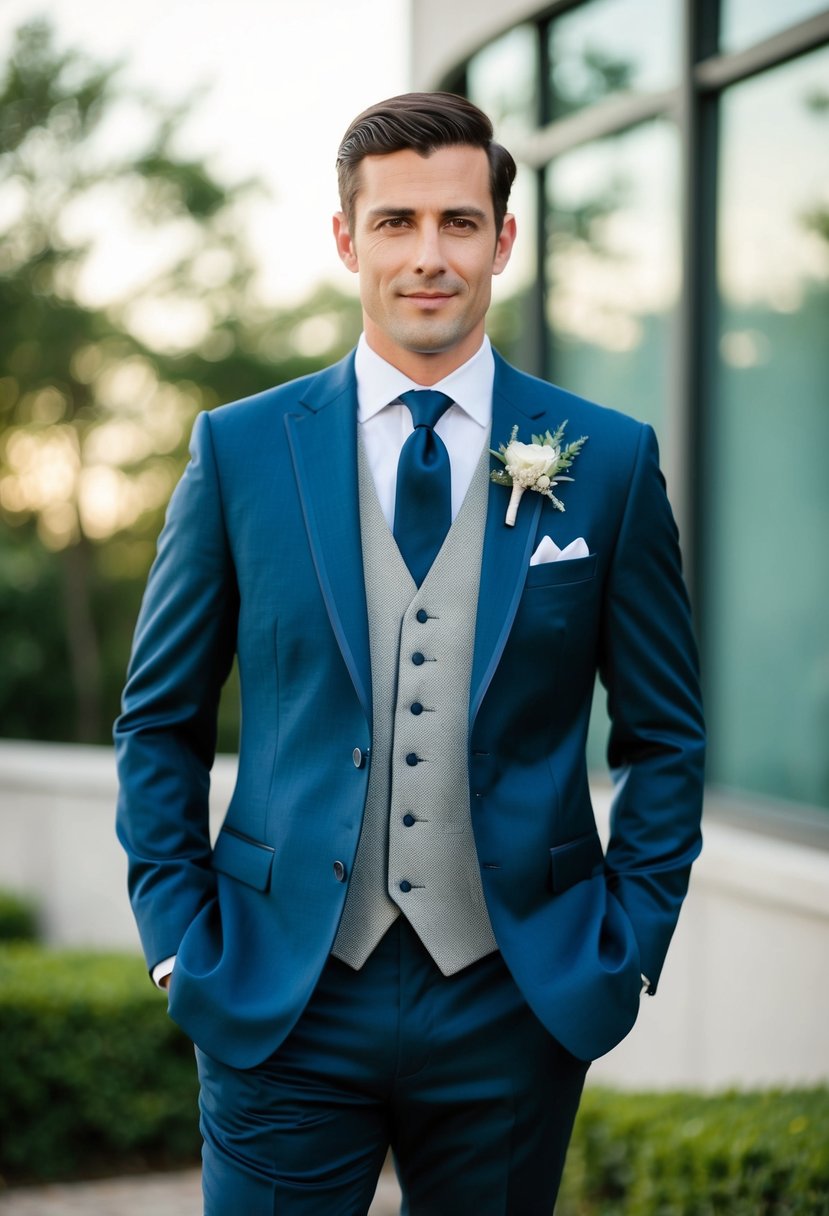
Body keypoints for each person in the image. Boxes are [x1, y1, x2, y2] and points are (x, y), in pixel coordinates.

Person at [115, 92, 705, 1215]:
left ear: (502, 240)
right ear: (347, 239)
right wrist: (175, 939)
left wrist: (625, 943)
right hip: (280, 988)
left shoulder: (610, 461)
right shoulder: (239, 451)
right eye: (395, 224)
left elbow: (665, 732)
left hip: (514, 995)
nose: (427, 257)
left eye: (457, 223)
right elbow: (159, 719)